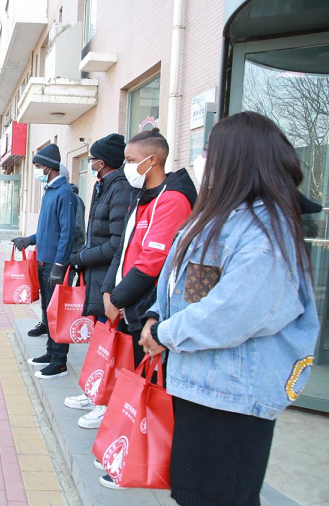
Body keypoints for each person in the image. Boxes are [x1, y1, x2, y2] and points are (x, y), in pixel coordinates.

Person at [135, 111, 319, 502]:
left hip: (233, 400)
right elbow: (176, 279)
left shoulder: (266, 230)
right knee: (193, 493)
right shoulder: (219, 216)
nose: (203, 160)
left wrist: (164, 334)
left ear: (236, 160)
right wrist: (156, 314)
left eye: (209, 152)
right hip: (201, 387)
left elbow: (233, 312)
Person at [82, 128, 196, 433]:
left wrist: (118, 299)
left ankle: (138, 450)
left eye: (131, 160)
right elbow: (122, 250)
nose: (126, 167)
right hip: (125, 304)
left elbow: (152, 261)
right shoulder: (141, 196)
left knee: (148, 385)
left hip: (144, 309)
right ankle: (121, 434)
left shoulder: (171, 200)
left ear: (152, 159)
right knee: (128, 377)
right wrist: (108, 291)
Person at [63, 134, 131, 413]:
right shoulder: (105, 186)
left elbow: (115, 243)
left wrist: (80, 257)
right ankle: (93, 392)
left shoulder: (121, 189)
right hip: (96, 275)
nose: (90, 164)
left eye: (91, 160)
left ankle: (104, 403)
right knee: (100, 339)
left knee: (110, 343)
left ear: (101, 162)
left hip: (108, 280)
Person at [11, 144, 84, 379]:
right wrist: (30, 240)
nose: (36, 170)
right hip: (44, 262)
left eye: (38, 166)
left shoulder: (65, 193)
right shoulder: (50, 192)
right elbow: (48, 230)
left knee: (57, 313)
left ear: (50, 167)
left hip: (56, 265)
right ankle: (50, 353)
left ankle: (59, 362)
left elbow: (67, 233)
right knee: (47, 311)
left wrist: (60, 266)